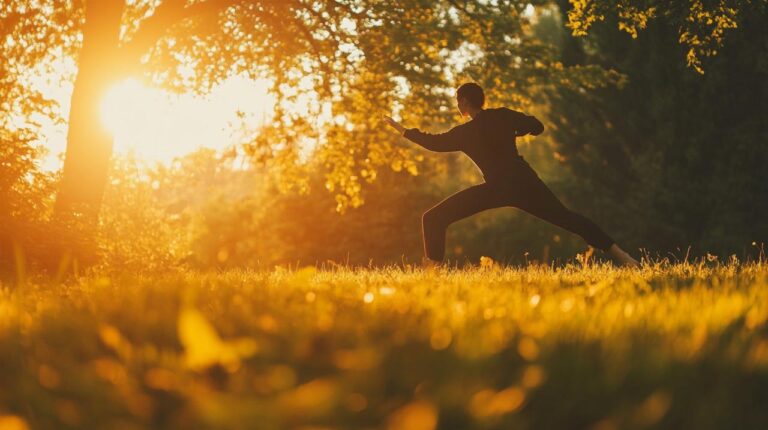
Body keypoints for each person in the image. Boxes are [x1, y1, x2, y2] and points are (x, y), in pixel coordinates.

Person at [384, 82, 639, 267]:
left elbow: (434, 143)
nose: (457, 104)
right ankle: (624, 257)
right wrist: (515, 132)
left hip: (497, 189)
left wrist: (404, 130)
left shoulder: (465, 133)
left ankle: (434, 275)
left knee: (433, 218)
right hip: (526, 182)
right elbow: (537, 126)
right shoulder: (503, 116)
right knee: (568, 218)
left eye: (457, 100)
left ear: (463, 102)